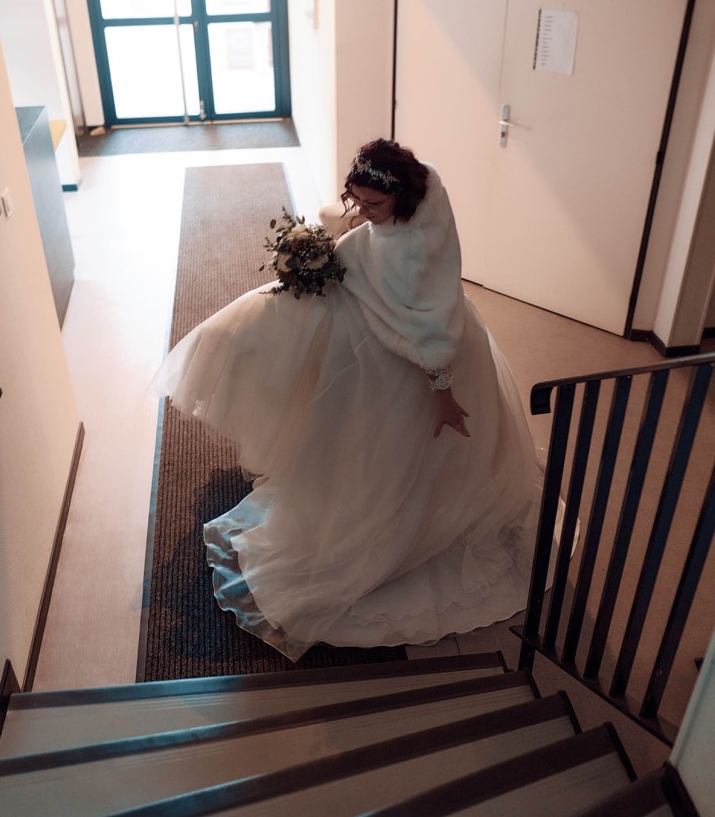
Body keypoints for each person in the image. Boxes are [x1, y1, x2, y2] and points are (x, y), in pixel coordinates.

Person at [151, 139, 542, 662]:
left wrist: (444, 395)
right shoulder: (423, 188)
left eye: (373, 205)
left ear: (401, 197)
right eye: (357, 200)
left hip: (412, 351)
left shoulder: (413, 256)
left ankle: (394, 534)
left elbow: (429, 331)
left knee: (393, 452)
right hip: (387, 315)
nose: (363, 212)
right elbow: (374, 243)